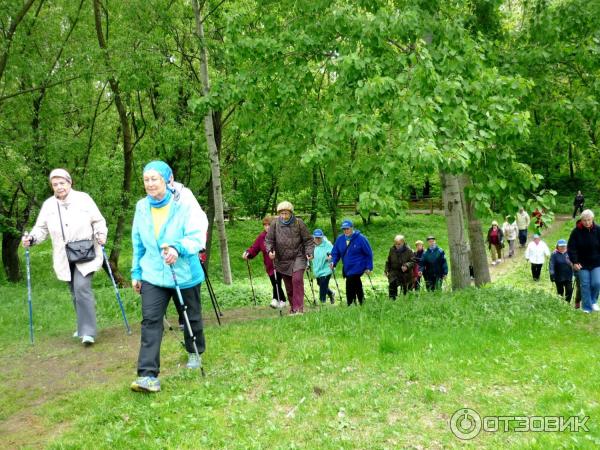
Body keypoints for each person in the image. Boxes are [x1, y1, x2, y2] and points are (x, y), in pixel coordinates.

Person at [130, 161, 207, 393]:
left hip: (183, 272)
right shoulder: (142, 207)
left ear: (168, 179)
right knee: (150, 320)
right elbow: (137, 242)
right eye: (146, 179)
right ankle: (147, 375)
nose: (150, 183)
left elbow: (197, 234)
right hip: (153, 273)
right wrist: (136, 272)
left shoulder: (184, 203)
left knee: (190, 316)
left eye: (155, 179)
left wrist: (178, 248)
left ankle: (194, 351)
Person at [22, 169, 107, 346]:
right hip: (64, 255)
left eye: (62, 183)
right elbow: (41, 228)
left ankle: (88, 332)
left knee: (82, 288)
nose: (59, 187)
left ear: (69, 182)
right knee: (74, 291)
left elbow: (98, 221)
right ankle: (82, 326)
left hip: (86, 252)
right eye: (55, 184)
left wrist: (101, 234)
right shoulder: (48, 205)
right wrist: (32, 238)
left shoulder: (83, 199)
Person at [265, 201, 314, 315]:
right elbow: (269, 240)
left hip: (299, 256)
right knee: (289, 286)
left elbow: (308, 240)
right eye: (282, 213)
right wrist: (270, 251)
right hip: (282, 259)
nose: (284, 216)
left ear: (291, 213)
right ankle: (293, 308)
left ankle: (299, 309)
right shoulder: (275, 224)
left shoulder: (299, 223)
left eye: (286, 213)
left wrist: (309, 252)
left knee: (296, 280)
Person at [243, 216, 286, 309]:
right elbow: (254, 248)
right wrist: (248, 253)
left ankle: (276, 299)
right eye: (265, 225)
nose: (267, 227)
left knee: (276, 281)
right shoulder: (262, 237)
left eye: (269, 225)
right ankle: (281, 300)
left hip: (281, 263)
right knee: (274, 282)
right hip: (269, 265)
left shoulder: (279, 235)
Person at [330, 219, 374, 306]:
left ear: (352, 228)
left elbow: (369, 253)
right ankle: (361, 302)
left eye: (347, 228)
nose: (346, 231)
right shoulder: (340, 239)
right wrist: (333, 262)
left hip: (359, 266)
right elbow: (335, 253)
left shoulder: (361, 238)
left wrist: (369, 267)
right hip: (347, 267)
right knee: (356, 283)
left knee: (351, 281)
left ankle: (350, 303)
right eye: (344, 229)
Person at [567, 209, 600, 313]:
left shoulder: (598, 230)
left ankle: (593, 301)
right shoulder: (576, 232)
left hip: (596, 262)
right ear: (581, 220)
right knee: (585, 285)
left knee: (597, 283)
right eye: (584, 220)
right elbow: (571, 248)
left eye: (589, 220)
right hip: (581, 264)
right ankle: (587, 308)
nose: (587, 222)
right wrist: (575, 262)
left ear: (592, 219)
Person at [311, 229, 335, 304]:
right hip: (317, 269)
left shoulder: (327, 244)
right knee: (320, 284)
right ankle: (331, 293)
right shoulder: (312, 245)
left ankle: (322, 302)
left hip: (326, 268)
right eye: (316, 238)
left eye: (319, 238)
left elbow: (334, 253)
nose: (318, 239)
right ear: (313, 237)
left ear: (322, 237)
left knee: (323, 284)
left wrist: (331, 257)